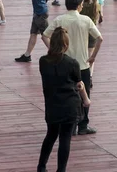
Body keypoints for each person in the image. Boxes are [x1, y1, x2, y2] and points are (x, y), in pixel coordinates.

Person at [42, 0, 104, 135]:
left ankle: (70, 124)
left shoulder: (60, 20)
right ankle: (83, 124)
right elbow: (100, 39)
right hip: (82, 64)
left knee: (67, 94)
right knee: (84, 93)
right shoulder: (86, 20)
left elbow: (44, 35)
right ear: (79, 5)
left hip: (64, 64)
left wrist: (54, 51)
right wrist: (92, 57)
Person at [37, 27, 91, 172]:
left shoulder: (43, 61)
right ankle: (61, 170)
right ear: (66, 45)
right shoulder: (72, 63)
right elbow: (79, 84)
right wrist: (86, 100)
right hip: (70, 105)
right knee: (65, 138)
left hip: (52, 104)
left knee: (51, 135)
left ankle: (41, 166)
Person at [8, 0, 72, 63]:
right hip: (39, 13)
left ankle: (56, 54)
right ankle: (27, 55)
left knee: (45, 36)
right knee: (33, 33)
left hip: (40, 14)